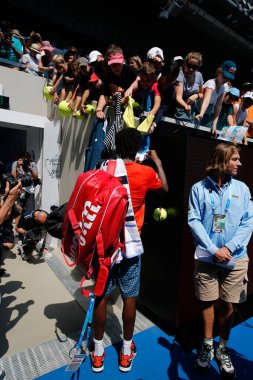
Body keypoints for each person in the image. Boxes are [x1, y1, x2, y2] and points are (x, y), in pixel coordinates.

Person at [90, 128, 168, 373]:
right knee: (130, 296)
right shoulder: (146, 172)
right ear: (137, 148)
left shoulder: (104, 169)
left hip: (106, 246)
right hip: (132, 246)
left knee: (101, 296)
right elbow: (164, 187)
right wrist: (157, 162)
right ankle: (125, 352)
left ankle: (98, 352)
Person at [188, 142, 253, 378]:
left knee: (228, 305)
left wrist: (229, 247)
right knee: (207, 302)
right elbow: (194, 220)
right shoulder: (198, 189)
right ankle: (207, 345)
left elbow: (248, 222)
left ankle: (222, 347)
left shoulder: (243, 189)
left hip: (235, 258)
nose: (239, 163)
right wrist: (214, 248)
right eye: (235, 159)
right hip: (207, 257)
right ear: (222, 161)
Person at [195, 60, 237, 134]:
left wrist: (214, 124)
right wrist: (201, 114)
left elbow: (218, 105)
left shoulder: (225, 87)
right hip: (198, 112)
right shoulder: (211, 83)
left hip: (209, 116)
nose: (226, 80)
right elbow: (206, 100)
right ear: (219, 72)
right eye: (225, 76)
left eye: (229, 78)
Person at [174, 51, 204, 123]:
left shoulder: (199, 76)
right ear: (185, 63)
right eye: (189, 65)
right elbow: (178, 97)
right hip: (177, 108)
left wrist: (195, 96)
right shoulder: (180, 74)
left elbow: (202, 94)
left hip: (191, 111)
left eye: (195, 67)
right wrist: (186, 106)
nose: (191, 69)